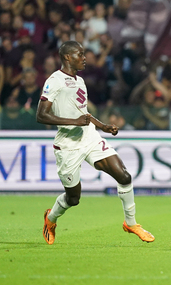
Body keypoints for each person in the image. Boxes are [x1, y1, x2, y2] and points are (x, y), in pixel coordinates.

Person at [37, 41, 154, 245]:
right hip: (68, 146)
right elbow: (41, 115)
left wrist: (103, 126)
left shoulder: (80, 81)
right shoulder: (54, 81)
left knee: (124, 176)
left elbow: (83, 114)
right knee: (73, 199)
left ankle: (131, 223)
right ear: (67, 57)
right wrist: (75, 122)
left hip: (89, 137)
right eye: (80, 54)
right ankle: (51, 218)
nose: (84, 57)